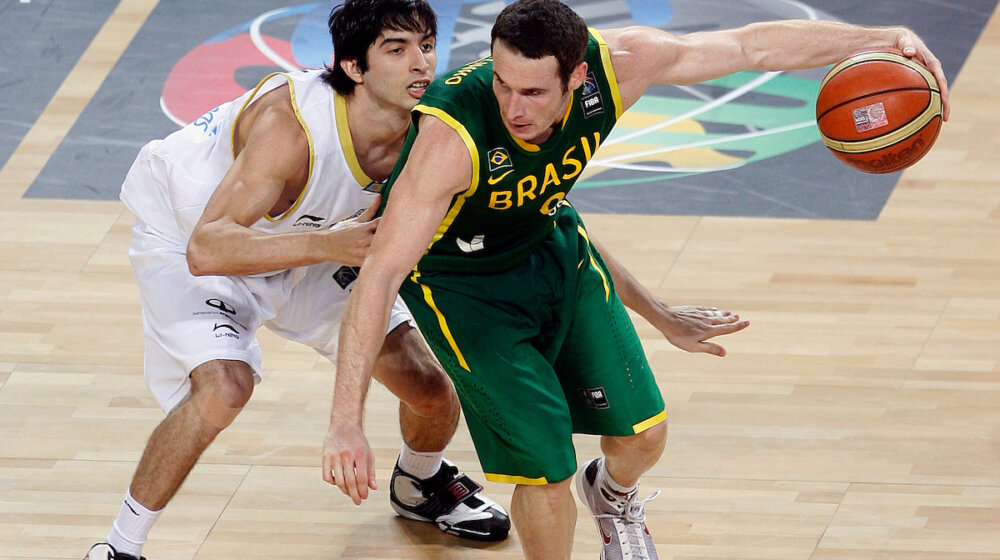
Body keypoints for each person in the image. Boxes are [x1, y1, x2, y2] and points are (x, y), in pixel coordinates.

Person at [325, 0, 951, 558]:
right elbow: (379, 276)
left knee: (644, 436)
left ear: (577, 76)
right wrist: (346, 423)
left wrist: (880, 38)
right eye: (503, 85)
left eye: (535, 93)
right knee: (545, 470)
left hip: (551, 249)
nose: (514, 108)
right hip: (465, 289)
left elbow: (749, 45)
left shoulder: (624, 64)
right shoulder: (451, 139)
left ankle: (613, 495)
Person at [83, 1, 518, 559]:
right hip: (195, 239)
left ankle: (420, 483)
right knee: (223, 389)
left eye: (426, 46)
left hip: (316, 243)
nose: (420, 65)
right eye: (397, 49)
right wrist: (327, 244)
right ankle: (120, 547)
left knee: (431, 392)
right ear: (354, 67)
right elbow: (207, 246)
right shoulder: (291, 129)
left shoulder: (429, 128)